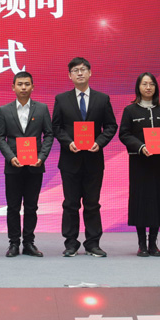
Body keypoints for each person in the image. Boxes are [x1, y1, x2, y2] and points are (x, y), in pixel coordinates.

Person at [52, 57, 118, 258]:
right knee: (70, 204)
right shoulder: (61, 99)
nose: (79, 73)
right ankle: (71, 243)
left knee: (92, 204)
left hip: (93, 160)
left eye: (83, 69)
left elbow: (111, 126)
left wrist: (99, 142)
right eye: (75, 70)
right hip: (69, 160)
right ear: (69, 75)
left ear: (90, 73)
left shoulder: (102, 99)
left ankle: (93, 243)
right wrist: (68, 142)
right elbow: (56, 127)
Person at [0, 71, 54, 257]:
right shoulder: (4, 110)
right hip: (13, 166)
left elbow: (49, 135)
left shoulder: (42, 109)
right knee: (13, 207)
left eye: (27, 84)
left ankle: (29, 243)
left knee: (31, 207)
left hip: (35, 166)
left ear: (32, 87)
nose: (23, 87)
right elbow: (0, 137)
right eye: (19, 84)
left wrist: (42, 157)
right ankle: (13, 243)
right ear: (13, 87)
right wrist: (10, 156)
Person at [118, 72, 160, 257]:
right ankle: (142, 244)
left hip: (159, 163)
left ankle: (153, 244)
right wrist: (141, 147)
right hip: (139, 163)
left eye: (151, 84)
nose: (148, 87)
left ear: (156, 87)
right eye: (144, 84)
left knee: (158, 200)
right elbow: (124, 134)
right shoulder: (130, 110)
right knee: (141, 201)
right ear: (138, 87)